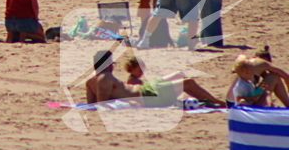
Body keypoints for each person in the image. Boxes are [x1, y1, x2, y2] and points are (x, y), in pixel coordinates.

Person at [86, 50, 222, 107]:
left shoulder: (90, 80)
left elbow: (90, 105)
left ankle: (209, 100)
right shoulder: (105, 78)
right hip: (148, 95)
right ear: (108, 64)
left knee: (179, 73)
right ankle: (218, 103)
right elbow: (101, 105)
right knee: (187, 83)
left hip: (147, 88)